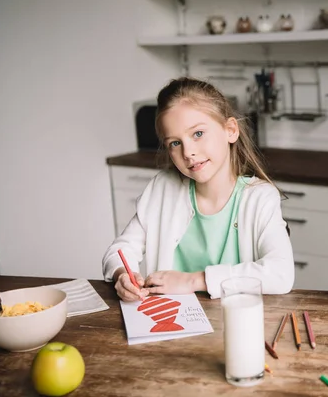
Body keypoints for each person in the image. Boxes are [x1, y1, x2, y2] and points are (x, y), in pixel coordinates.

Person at [103, 77, 294, 301]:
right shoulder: (162, 189)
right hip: (171, 323)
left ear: (231, 130)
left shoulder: (260, 198)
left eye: (198, 134)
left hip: (236, 323)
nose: (188, 152)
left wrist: (193, 280)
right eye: (175, 143)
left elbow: (281, 274)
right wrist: (122, 275)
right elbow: (120, 249)